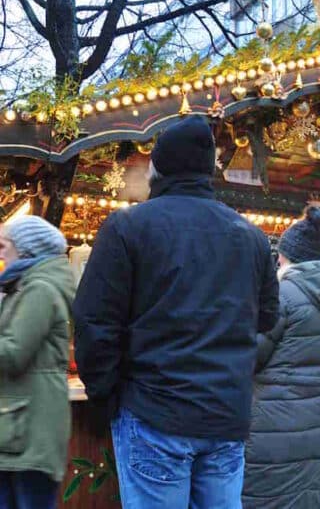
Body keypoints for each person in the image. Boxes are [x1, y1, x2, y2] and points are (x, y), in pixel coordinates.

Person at [73, 116, 279, 509]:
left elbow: (94, 322)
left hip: (154, 414)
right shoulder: (250, 236)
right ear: (208, 170)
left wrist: (106, 397)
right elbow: (267, 317)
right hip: (225, 416)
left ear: (158, 167)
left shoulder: (128, 228)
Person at [242, 203, 320, 508]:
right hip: (319, 430)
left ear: (287, 256)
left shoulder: (283, 295)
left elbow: (250, 357)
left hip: (273, 428)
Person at [0, 216, 75, 509]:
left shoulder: (39, 290)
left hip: (31, 431)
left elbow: (14, 352)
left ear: (26, 250)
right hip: (20, 428)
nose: (1, 252)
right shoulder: (24, 286)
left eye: (6, 245)